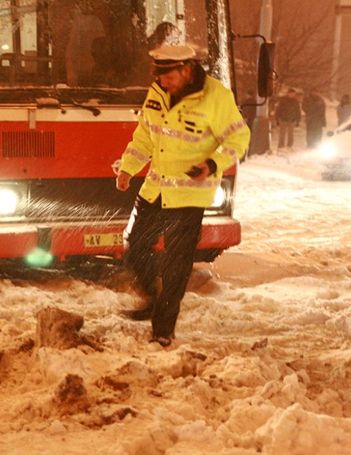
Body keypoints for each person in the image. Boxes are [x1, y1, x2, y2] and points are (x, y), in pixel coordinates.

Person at [115, 44, 250, 347]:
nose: (163, 81)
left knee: (175, 266)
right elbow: (145, 137)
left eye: (168, 75)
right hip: (155, 188)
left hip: (189, 195)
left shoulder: (216, 97)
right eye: (159, 75)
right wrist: (128, 168)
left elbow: (239, 137)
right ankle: (153, 298)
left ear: (187, 70)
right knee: (135, 247)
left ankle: (163, 330)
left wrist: (213, 163)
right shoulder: (157, 93)